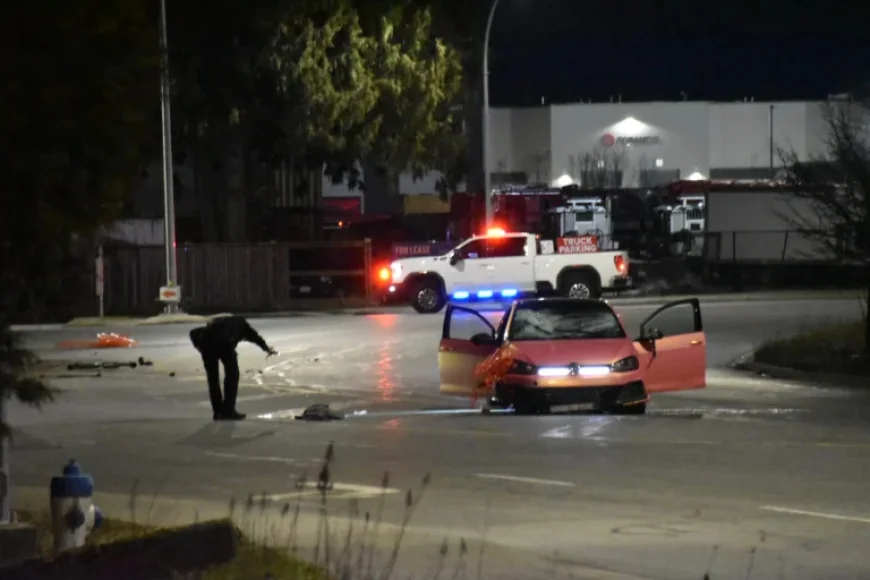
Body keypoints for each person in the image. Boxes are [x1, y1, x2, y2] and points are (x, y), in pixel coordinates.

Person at [189, 315, 277, 420]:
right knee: (232, 375)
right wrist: (267, 349)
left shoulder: (218, 324)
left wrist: (199, 346)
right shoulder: (243, 326)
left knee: (213, 379)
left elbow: (193, 333)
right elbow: (256, 338)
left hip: (207, 345)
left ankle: (218, 412)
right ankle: (228, 410)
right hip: (223, 344)